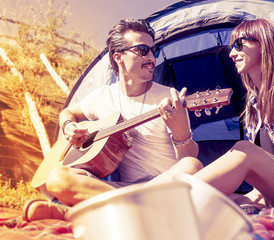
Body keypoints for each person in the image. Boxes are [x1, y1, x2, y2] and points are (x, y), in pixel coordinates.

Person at [23, 19, 201, 221]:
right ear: (119, 56)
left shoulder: (170, 97)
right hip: (123, 190)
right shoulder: (102, 97)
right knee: (57, 179)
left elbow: (189, 157)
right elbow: (67, 112)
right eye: (143, 50)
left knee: (191, 167)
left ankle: (76, 214)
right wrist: (68, 126)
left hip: (164, 185)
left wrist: (181, 133)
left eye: (154, 51)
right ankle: (142, 212)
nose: (152, 57)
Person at [158, 18, 274, 208]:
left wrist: (265, 191)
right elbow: (268, 165)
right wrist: (254, 195)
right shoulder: (254, 101)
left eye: (239, 44)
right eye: (231, 47)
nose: (231, 53)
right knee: (229, 201)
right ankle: (169, 202)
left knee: (245, 150)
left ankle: (168, 204)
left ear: (264, 44)